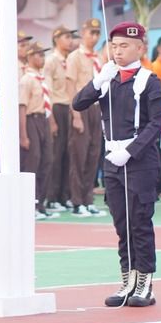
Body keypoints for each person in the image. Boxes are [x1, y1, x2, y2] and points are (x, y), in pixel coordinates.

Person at [72, 22, 161, 308]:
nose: (118, 51)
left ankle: (145, 284)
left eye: (124, 45)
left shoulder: (150, 81)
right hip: (113, 161)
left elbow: (156, 124)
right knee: (121, 224)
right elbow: (78, 103)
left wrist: (131, 151)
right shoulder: (108, 78)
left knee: (140, 222)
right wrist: (98, 81)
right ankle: (127, 281)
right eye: (114, 46)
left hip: (139, 161)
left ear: (140, 48)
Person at [66, 18, 105, 217]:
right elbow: (70, 86)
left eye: (97, 33)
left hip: (96, 108)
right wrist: (76, 115)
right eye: (91, 32)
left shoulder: (99, 58)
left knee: (93, 154)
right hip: (81, 107)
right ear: (83, 33)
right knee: (78, 156)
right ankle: (77, 201)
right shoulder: (75, 57)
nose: (95, 37)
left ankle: (88, 199)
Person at [17, 43, 55, 219]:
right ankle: (29, 204)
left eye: (43, 54)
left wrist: (51, 122)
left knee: (47, 160)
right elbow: (22, 107)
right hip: (31, 120)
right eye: (39, 55)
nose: (42, 58)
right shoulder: (27, 79)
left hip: (44, 119)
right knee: (33, 161)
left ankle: (40, 203)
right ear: (30, 57)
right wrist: (23, 135)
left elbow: (48, 103)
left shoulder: (43, 78)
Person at [42, 27, 74, 212]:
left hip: (69, 107)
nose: (70, 41)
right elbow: (47, 91)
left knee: (69, 154)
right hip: (56, 107)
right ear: (56, 39)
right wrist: (51, 119)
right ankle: (51, 197)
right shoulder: (51, 61)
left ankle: (65, 195)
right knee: (56, 154)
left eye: (71, 37)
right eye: (67, 37)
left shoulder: (70, 60)